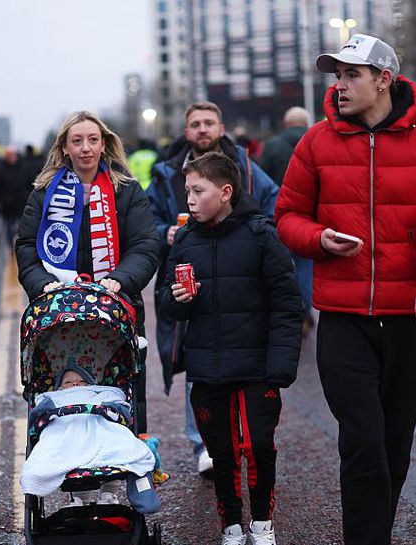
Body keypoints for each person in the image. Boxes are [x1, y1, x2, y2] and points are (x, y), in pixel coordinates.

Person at [275, 34, 416, 545]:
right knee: (362, 441)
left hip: (409, 318)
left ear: (384, 79)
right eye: (336, 75)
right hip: (343, 320)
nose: (339, 85)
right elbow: (287, 216)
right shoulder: (315, 141)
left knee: (394, 445)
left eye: (351, 75)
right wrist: (318, 238)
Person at [158, 152, 302, 545]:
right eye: (186, 190)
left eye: (197, 191)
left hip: (257, 366)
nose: (188, 199)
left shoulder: (261, 235)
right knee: (221, 453)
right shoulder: (185, 239)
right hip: (207, 366)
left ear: (225, 193)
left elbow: (288, 305)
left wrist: (281, 365)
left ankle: (262, 523)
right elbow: (166, 305)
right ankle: (232, 526)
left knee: (256, 447)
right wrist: (177, 299)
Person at [146, 101, 280, 475]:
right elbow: (146, 219)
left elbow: (273, 203)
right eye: (195, 124)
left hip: (240, 275)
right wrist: (164, 233)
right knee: (196, 357)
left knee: (243, 353)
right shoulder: (165, 173)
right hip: (189, 272)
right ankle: (202, 444)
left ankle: (242, 438)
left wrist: (256, 237)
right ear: (186, 132)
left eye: (209, 123)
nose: (202, 129)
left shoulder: (246, 168)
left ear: (221, 128)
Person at [15, 111, 161, 433]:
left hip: (116, 305)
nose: (85, 148)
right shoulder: (43, 192)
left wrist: (120, 280)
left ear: (104, 145)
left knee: (123, 386)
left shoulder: (126, 190)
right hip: (60, 311)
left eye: (93, 140)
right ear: (65, 148)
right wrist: (42, 285)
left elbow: (146, 244)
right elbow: (27, 246)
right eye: (77, 141)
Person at [20, 366, 158, 508]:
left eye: (81, 381)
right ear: (59, 388)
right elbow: (38, 414)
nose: (75, 384)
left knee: (115, 444)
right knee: (61, 445)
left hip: (98, 424)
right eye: (68, 382)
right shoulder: (53, 397)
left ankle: (108, 496)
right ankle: (79, 500)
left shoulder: (101, 394)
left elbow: (119, 406)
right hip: (65, 428)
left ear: (91, 385)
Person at [259, 106, 316, 329]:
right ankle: (305, 311)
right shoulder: (316, 141)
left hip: (281, 213)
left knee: (282, 265)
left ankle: (289, 312)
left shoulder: (272, 146)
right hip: (312, 214)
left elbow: (261, 177)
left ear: (285, 123)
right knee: (305, 266)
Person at [0, 147, 28, 247]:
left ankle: (20, 245)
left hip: (21, 203)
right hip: (7, 205)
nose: (12, 158)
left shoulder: (23, 168)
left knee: (22, 227)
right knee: (8, 227)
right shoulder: (0, 170)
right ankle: (10, 246)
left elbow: (28, 183)